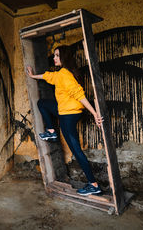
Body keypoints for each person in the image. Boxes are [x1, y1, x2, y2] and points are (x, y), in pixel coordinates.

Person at [26, 45, 103, 196]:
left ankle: (93, 184)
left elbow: (79, 94)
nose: (54, 58)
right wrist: (33, 76)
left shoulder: (65, 74)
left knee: (76, 149)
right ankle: (51, 131)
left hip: (69, 114)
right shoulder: (61, 73)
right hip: (67, 110)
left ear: (64, 57)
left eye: (57, 55)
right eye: (54, 55)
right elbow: (49, 76)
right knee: (42, 103)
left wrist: (94, 113)